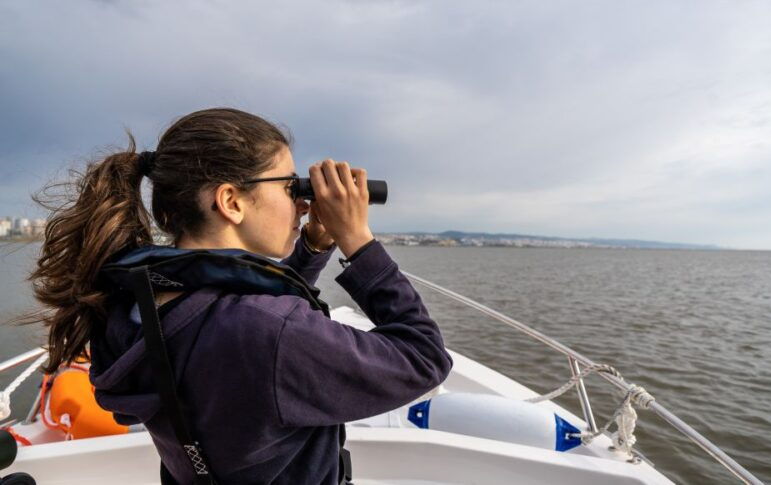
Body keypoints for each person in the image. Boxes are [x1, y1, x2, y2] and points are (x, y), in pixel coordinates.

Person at [28, 108, 453, 484]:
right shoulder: (267, 331)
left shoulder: (134, 299)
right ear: (231, 201)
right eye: (290, 187)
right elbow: (423, 359)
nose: (303, 205)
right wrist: (357, 239)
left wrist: (315, 248)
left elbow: (235, 306)